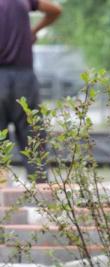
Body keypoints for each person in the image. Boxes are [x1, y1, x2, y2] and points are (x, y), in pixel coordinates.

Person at [0, 0, 61, 183]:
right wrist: (33, 31)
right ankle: (40, 193)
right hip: (24, 79)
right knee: (33, 140)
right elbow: (55, 10)